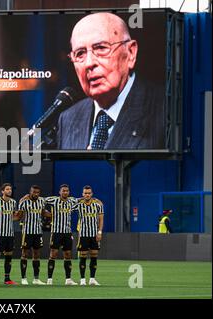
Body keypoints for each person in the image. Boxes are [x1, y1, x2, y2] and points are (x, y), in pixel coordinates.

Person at [57, 12, 164, 150]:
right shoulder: (67, 119)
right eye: (80, 53)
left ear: (131, 53)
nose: (89, 63)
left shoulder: (165, 110)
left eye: (101, 48)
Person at [45, 184, 78, 286]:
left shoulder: (72, 201)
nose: (65, 192)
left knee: (68, 255)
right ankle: (49, 279)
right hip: (56, 232)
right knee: (53, 254)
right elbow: (40, 200)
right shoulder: (54, 200)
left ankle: (68, 279)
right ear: (59, 192)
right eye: (63, 191)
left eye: (67, 191)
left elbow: (82, 200)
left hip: (67, 232)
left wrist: (95, 200)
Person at [17, 185, 49, 285]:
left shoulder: (41, 201)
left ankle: (36, 279)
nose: (35, 194)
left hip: (38, 232)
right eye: (33, 192)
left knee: (36, 254)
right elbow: (19, 216)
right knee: (24, 254)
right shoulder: (24, 202)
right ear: (30, 192)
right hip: (27, 231)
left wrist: (53, 215)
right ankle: (23, 278)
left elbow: (44, 213)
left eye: (37, 192)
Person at [0, 183, 19, 285]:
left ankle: (7, 279)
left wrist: (18, 216)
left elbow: (14, 216)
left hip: (10, 234)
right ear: (2, 191)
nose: (9, 191)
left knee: (8, 256)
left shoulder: (13, 202)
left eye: (10, 189)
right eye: (7, 189)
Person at [75, 185, 104, 286]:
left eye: (89, 193)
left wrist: (99, 232)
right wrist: (78, 199)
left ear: (92, 194)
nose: (87, 195)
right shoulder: (78, 204)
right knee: (83, 256)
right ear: (82, 194)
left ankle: (92, 279)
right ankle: (82, 279)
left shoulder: (98, 204)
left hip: (94, 234)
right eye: (85, 193)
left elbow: (101, 219)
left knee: (94, 256)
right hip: (83, 234)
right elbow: (68, 204)